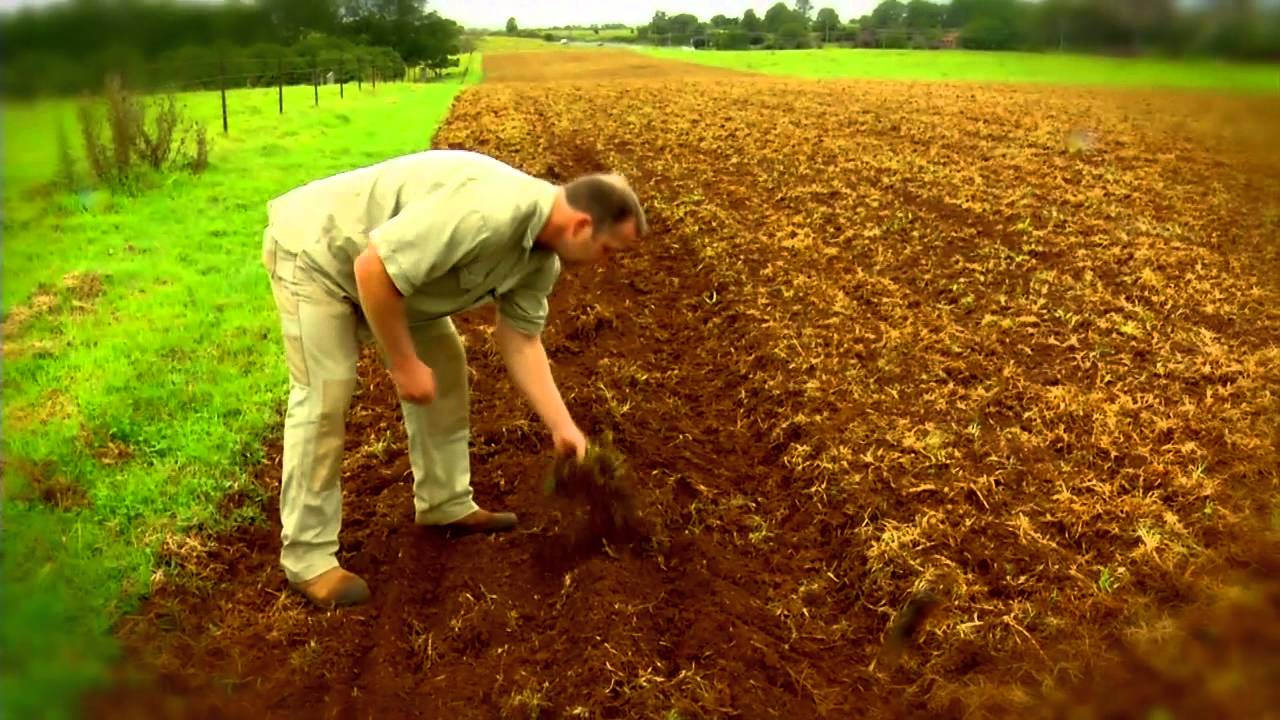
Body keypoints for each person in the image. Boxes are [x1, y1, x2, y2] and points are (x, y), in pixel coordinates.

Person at [259, 149, 647, 609]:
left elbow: (521, 340)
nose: (605, 264)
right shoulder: (488, 213)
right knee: (326, 393)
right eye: (608, 250)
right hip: (320, 256)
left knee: (445, 364)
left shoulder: (540, 260)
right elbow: (372, 267)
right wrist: (403, 363)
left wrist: (564, 428)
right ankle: (308, 558)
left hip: (402, 281)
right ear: (583, 226)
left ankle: (445, 502)